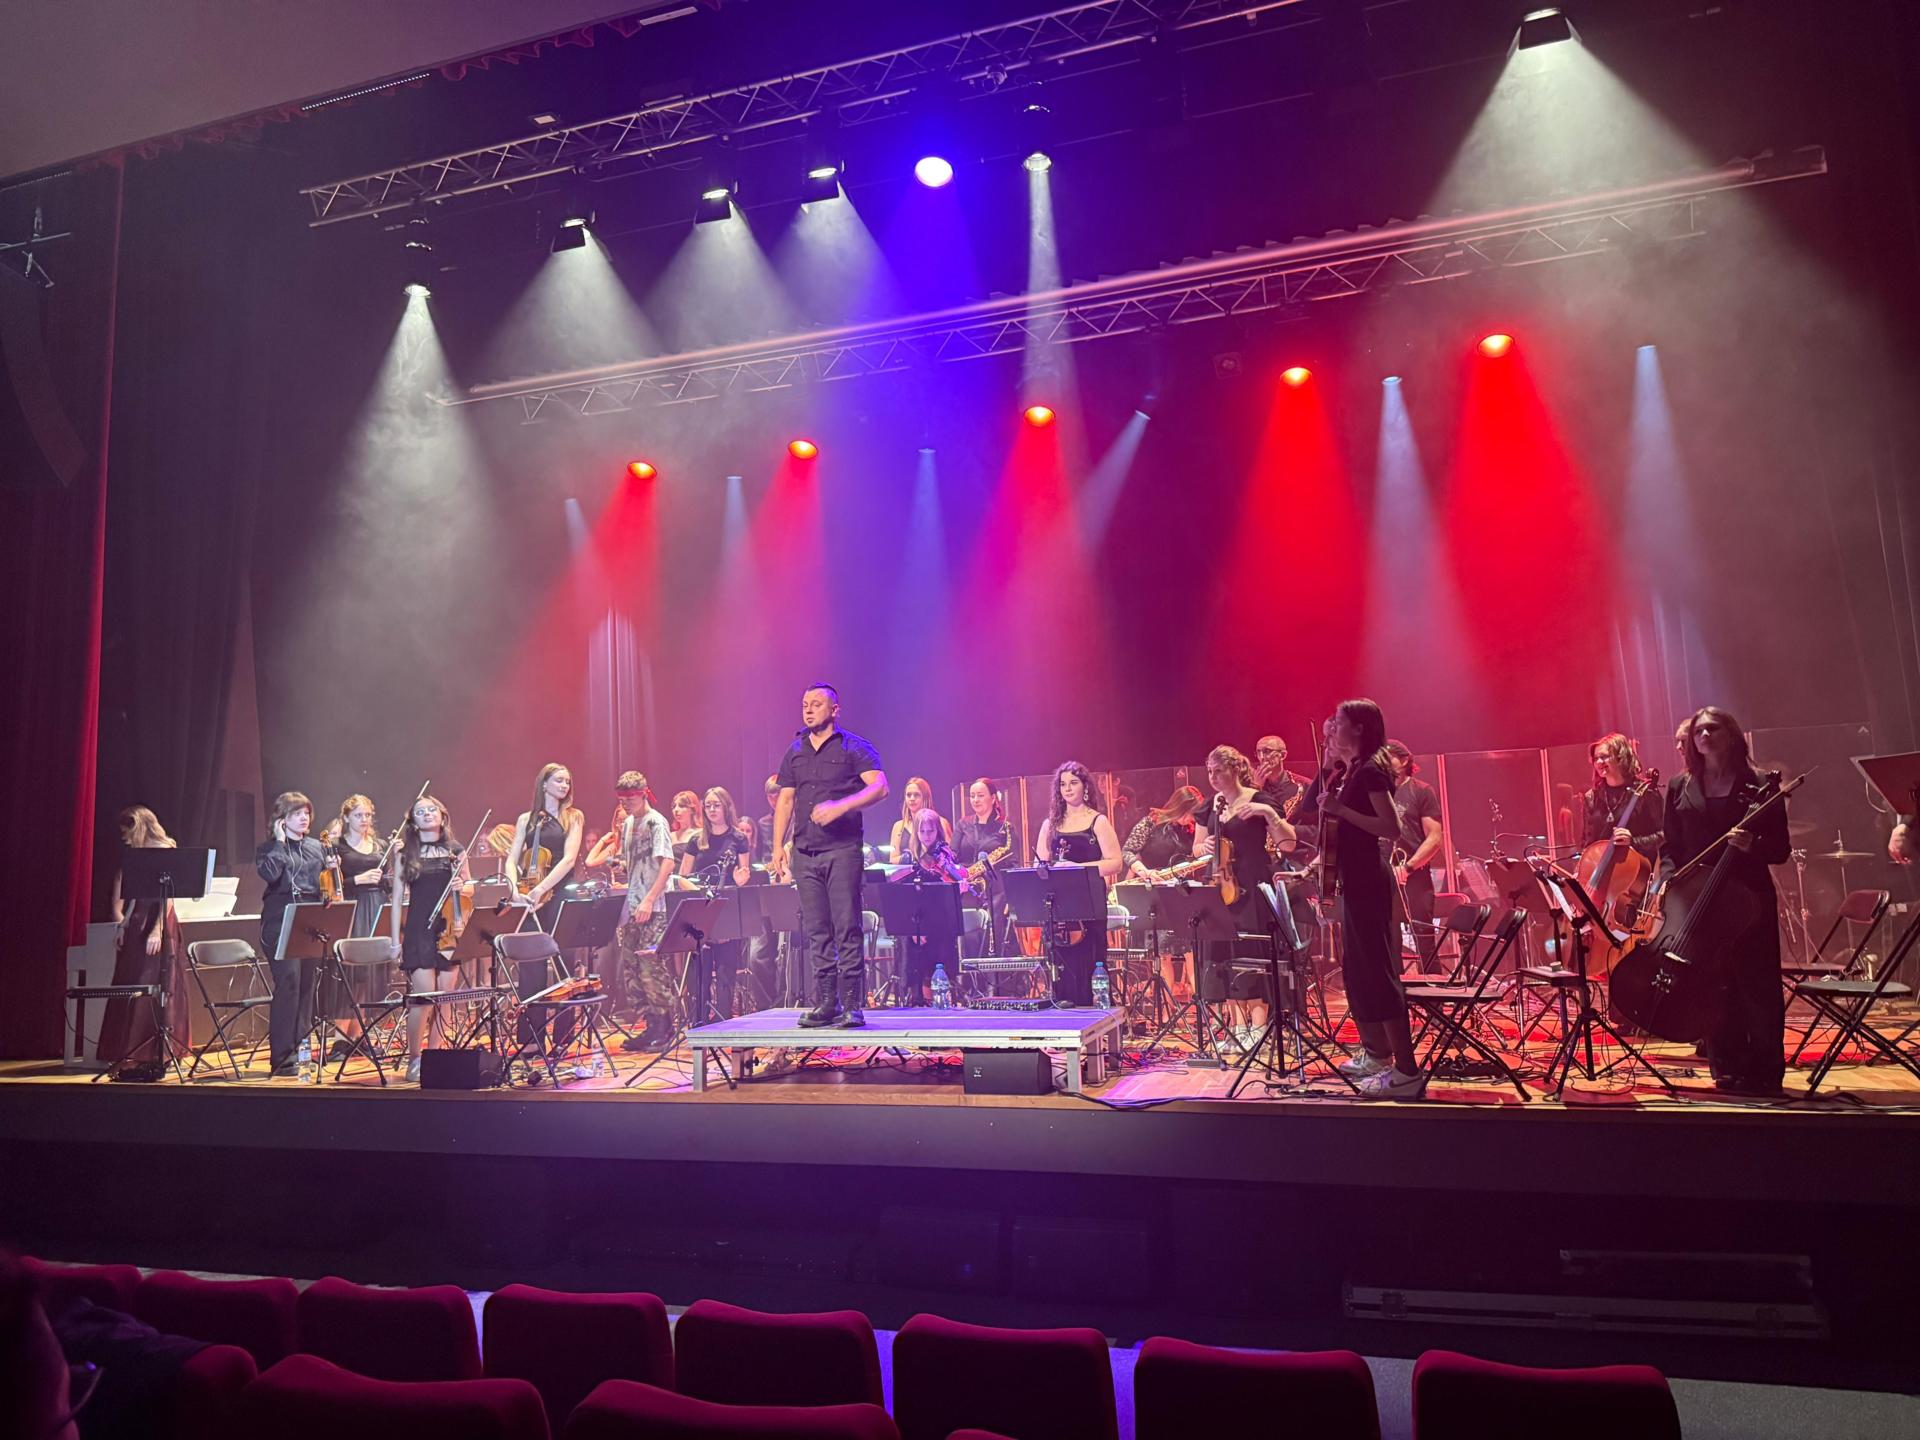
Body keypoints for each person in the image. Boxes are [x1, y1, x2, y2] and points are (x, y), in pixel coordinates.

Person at [1658, 706, 1791, 1095]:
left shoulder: (1761, 783)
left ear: (1731, 735)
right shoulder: (1679, 786)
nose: (1704, 736)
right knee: (1714, 983)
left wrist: (1753, 844)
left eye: (1713, 729)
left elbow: (1780, 848)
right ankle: (1726, 1066)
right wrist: (1669, 879)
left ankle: (1765, 1072)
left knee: (1756, 983)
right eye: (1699, 731)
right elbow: (1670, 846)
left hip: (1749, 898)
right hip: (1700, 896)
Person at [1295, 700, 1424, 1099]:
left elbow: (1391, 827)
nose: (1332, 729)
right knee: (1360, 971)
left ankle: (1407, 1071)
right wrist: (1327, 773)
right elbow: (1313, 812)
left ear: (1361, 728)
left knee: (1379, 973)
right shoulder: (1349, 770)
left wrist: (1341, 811)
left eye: (1340, 723)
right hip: (1353, 880)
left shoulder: (1370, 770)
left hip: (1369, 879)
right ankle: (1379, 1054)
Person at [770, 684, 889, 1028]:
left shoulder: (854, 746)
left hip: (842, 850)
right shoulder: (795, 750)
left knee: (846, 926)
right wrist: (777, 847)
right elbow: (786, 800)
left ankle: (852, 1003)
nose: (808, 710)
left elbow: (880, 786)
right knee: (817, 930)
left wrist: (841, 805)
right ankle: (827, 1002)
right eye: (804, 705)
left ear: (834, 709)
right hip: (805, 852)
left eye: (816, 704)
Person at [1194, 749, 1295, 1049]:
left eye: (1218, 770)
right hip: (1220, 885)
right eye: (1209, 771)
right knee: (1224, 956)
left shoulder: (1259, 800)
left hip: (1251, 883)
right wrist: (1203, 847)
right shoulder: (1210, 806)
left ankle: (1259, 1027)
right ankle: (1238, 1029)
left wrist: (1270, 815)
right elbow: (1196, 849)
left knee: (1252, 953)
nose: (1213, 777)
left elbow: (1289, 843)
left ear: (1236, 769)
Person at [97, 805, 187, 1070]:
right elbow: (133, 896)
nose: (124, 838)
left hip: (159, 920)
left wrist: (157, 930)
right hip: (138, 920)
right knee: (131, 981)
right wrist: (123, 925)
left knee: (157, 981)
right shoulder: (136, 854)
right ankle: (129, 1051)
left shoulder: (165, 849)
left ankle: (157, 1051)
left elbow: (168, 898)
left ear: (139, 826)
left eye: (128, 832)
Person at [395, 794, 473, 1083]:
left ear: (442, 815)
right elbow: (396, 901)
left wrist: (463, 885)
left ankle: (434, 1055)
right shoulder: (406, 853)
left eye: (432, 810)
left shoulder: (456, 850)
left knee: (445, 997)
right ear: (413, 821)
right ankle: (415, 1058)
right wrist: (394, 940)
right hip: (418, 930)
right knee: (423, 998)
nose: (427, 814)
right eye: (420, 811)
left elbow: (470, 888)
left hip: (449, 928)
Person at [1033, 760, 1123, 1005]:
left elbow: (1115, 862)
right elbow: (1040, 864)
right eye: (1063, 784)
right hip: (1060, 904)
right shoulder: (1050, 824)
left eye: (1073, 783)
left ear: (1085, 786)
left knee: (1090, 958)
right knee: (1061, 962)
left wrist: (1078, 869)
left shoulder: (1098, 821)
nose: (1068, 788)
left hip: (1089, 901)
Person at [254, 790, 327, 1076]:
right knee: (289, 982)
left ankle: (302, 1051)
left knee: (308, 984)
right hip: (280, 920)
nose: (303, 818)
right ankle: (282, 1058)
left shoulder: (316, 847)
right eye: (296, 814)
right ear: (281, 819)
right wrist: (280, 842)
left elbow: (325, 881)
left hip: (310, 918)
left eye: (306, 813)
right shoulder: (269, 848)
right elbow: (270, 874)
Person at [1121, 785, 1206, 999]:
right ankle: (1168, 1009)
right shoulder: (1150, 823)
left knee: (1191, 951)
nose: (1193, 819)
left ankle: (1201, 1006)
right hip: (1156, 893)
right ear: (1180, 808)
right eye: (1191, 813)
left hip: (1183, 893)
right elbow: (1128, 851)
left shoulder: (1191, 830)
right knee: (1163, 954)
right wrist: (1145, 872)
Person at [317, 794, 386, 1056]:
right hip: (354, 908)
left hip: (376, 906)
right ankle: (340, 1038)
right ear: (346, 817)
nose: (364, 819)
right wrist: (358, 880)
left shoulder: (380, 845)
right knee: (350, 973)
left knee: (370, 975)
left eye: (368, 815)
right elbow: (331, 883)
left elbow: (388, 879)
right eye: (358, 815)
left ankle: (359, 1037)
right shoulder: (337, 846)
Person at [679, 786, 755, 1019]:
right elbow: (681, 877)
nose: (712, 810)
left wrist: (741, 879)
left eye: (716, 805)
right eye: (708, 806)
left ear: (726, 807)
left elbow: (743, 873)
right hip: (701, 909)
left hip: (726, 908)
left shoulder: (738, 838)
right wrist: (700, 891)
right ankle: (699, 1021)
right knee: (699, 973)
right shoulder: (696, 840)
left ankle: (723, 1022)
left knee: (725, 971)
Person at [615, 773, 678, 1049]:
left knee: (651, 967)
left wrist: (650, 899)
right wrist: (620, 865)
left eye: (630, 798)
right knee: (632, 969)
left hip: (654, 906)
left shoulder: (656, 822)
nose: (625, 803)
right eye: (622, 799)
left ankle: (665, 1027)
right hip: (633, 905)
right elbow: (634, 863)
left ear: (643, 794)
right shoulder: (629, 823)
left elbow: (667, 863)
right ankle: (650, 1025)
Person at [887, 807, 970, 1004]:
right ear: (916, 833)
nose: (926, 836)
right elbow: (905, 899)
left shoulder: (946, 856)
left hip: (941, 924)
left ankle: (942, 1000)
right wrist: (915, 929)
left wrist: (959, 890)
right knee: (917, 962)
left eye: (930, 831)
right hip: (916, 924)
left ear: (938, 831)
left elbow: (948, 898)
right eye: (922, 831)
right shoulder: (909, 859)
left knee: (942, 960)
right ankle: (917, 999)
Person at [1384, 742, 1445, 973]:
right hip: (1385, 875)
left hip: (1414, 876)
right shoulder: (1377, 793)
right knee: (1389, 940)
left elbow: (1434, 838)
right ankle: (1394, 990)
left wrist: (1407, 868)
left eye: (1387, 757)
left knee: (1424, 939)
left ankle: (1433, 991)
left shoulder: (1421, 791)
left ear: (1404, 760)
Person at [504, 762, 586, 927]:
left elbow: (569, 860)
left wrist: (540, 890)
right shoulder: (525, 819)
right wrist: (515, 892)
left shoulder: (574, 816)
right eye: (559, 780)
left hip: (560, 889)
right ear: (544, 784)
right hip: (529, 890)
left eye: (567, 782)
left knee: (559, 939)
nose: (565, 786)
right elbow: (511, 860)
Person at [954, 777, 1014, 957]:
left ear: (993, 798)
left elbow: (1014, 863)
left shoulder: (1006, 828)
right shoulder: (963, 824)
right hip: (968, 889)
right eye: (972, 796)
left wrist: (1011, 899)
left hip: (996, 892)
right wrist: (960, 874)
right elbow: (953, 855)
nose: (975, 800)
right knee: (969, 941)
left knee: (994, 940)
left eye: (980, 795)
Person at [1580, 732, 1665, 858]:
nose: (1598, 762)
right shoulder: (1591, 798)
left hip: (1638, 865)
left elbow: (1664, 835)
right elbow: (1587, 843)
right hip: (1601, 867)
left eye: (1604, 757)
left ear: (1621, 757)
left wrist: (1633, 842)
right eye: (1595, 758)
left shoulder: (1646, 793)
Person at [888, 777, 951, 863]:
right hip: (907, 871)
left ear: (925, 797)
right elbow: (892, 860)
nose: (912, 798)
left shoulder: (941, 822)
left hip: (934, 870)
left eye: (916, 795)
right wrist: (907, 858)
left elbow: (949, 855)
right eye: (908, 795)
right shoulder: (898, 826)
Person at [1253, 734, 1307, 817]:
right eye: (1258, 752)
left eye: (1267, 751)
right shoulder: (1252, 784)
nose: (1261, 757)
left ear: (1283, 755)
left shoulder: (1304, 785)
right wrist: (1256, 788)